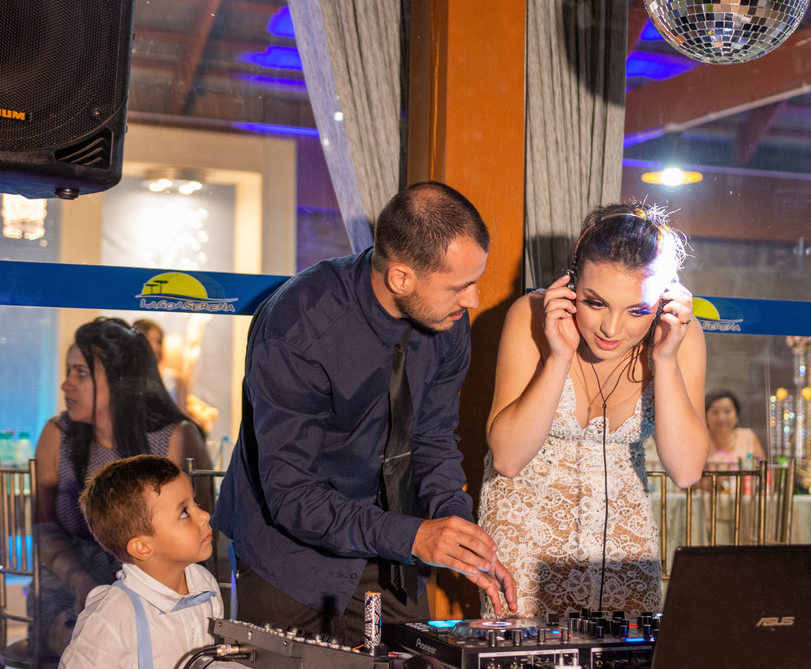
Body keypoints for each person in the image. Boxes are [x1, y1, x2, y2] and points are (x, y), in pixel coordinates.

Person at [214, 182, 516, 644]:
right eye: (459, 286)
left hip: (392, 550)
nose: (473, 300)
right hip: (288, 557)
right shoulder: (299, 327)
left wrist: (459, 536)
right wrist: (414, 537)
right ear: (400, 278)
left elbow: (433, 439)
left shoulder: (447, 319)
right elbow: (292, 494)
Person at [479, 203, 709, 617]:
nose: (611, 329)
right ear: (570, 284)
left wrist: (666, 360)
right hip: (526, 532)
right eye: (595, 302)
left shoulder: (680, 337)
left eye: (637, 310)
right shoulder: (530, 316)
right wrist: (558, 356)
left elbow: (687, 470)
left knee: (627, 655)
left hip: (625, 538)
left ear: (663, 302)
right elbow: (508, 459)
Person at [34, 317, 211, 657]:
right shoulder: (58, 434)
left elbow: (201, 532)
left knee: (139, 646)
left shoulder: (175, 436)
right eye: (69, 371)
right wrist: (79, 581)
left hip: (157, 586)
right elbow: (43, 529)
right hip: (70, 584)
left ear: (120, 380)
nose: (66, 385)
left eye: (80, 373)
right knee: (93, 645)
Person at [53, 455, 222, 669]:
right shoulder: (114, 614)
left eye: (195, 502)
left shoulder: (204, 584)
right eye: (184, 512)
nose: (204, 515)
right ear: (142, 547)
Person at [703, 390, 765, 467]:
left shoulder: (748, 437)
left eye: (727, 411)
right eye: (715, 412)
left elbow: (763, 468)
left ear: (736, 415)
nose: (721, 417)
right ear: (706, 416)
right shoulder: (702, 440)